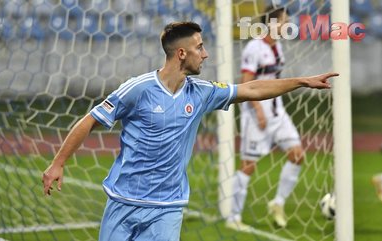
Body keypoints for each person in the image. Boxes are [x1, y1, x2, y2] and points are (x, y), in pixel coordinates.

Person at [42, 21, 338, 241]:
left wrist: (300, 80)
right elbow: (90, 119)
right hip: (123, 201)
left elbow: (252, 87)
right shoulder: (138, 89)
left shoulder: (202, 93)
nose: (205, 54)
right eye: (199, 47)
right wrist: (58, 162)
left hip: (168, 208)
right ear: (181, 53)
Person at [227, 7, 304, 230]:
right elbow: (245, 82)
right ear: (272, 23)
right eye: (284, 21)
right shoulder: (254, 47)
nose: (287, 25)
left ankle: (277, 203)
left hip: (278, 113)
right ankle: (234, 218)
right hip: (256, 115)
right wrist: (258, 110)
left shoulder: (278, 46)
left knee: (297, 155)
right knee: (248, 165)